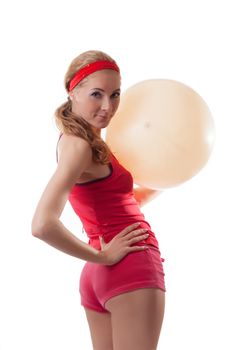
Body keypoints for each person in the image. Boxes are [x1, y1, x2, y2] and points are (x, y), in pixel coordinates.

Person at [31, 50, 166, 350]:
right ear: (73, 91)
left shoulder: (75, 141)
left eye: (115, 94)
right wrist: (104, 257)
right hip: (127, 263)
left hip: (100, 274)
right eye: (96, 94)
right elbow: (42, 224)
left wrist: (161, 179)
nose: (108, 107)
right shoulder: (80, 147)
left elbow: (106, 201)